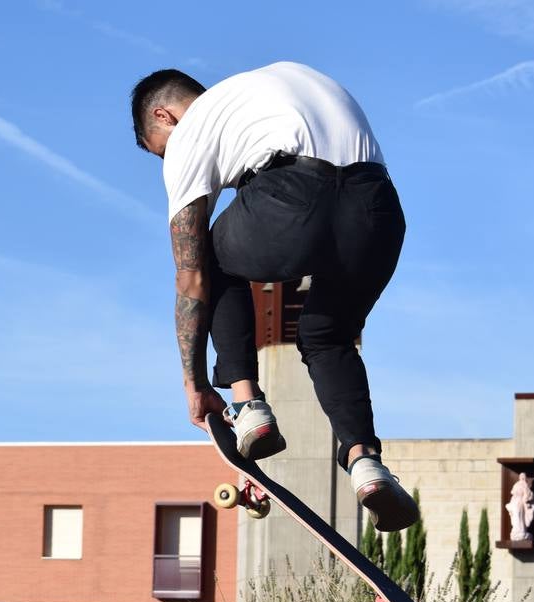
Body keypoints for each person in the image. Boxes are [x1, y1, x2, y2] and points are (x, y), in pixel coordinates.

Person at [130, 61, 417, 531]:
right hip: (379, 211)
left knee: (204, 261)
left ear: (164, 117)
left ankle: (248, 405)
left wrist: (196, 383)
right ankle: (366, 462)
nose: (169, 163)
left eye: (159, 153)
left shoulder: (191, 128)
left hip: (295, 194)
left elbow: (191, 280)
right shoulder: (279, 82)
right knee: (328, 334)